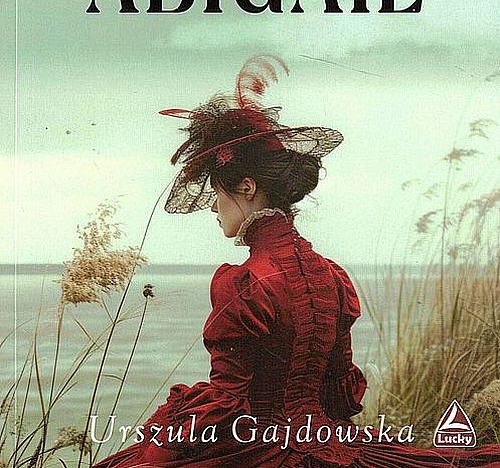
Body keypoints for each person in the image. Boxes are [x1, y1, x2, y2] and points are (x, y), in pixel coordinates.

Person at [94, 57, 500, 468]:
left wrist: (163, 446)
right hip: (326, 444)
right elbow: (337, 395)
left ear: (247, 187)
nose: (214, 208)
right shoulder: (332, 276)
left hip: (261, 450)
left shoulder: (245, 282)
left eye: (217, 193)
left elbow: (226, 398)